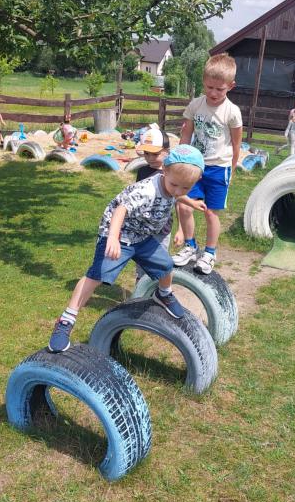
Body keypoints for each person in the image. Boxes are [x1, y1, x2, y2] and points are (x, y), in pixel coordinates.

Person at [48, 145, 207, 352]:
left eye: (185, 188)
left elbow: (175, 195)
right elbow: (120, 210)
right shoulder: (146, 190)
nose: (177, 191)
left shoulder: (174, 184)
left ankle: (164, 294)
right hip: (119, 235)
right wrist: (113, 238)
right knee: (97, 275)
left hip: (142, 236)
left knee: (166, 265)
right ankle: (66, 320)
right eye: (175, 185)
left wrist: (190, 201)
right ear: (164, 171)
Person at [172, 53, 243, 275]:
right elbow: (186, 134)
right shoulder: (195, 105)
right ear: (203, 81)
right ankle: (191, 247)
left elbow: (236, 143)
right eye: (209, 87)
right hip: (195, 166)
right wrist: (180, 160)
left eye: (219, 89)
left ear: (230, 86)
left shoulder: (232, 112)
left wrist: (232, 170)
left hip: (219, 168)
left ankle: (210, 253)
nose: (213, 93)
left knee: (211, 213)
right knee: (184, 205)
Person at [133, 125, 173, 281]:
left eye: (155, 154)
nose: (150, 158)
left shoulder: (170, 174)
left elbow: (178, 201)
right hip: (142, 228)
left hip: (162, 229)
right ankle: (140, 290)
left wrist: (182, 231)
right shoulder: (142, 171)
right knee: (142, 263)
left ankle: (159, 291)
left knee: (159, 264)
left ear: (166, 151)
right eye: (146, 153)